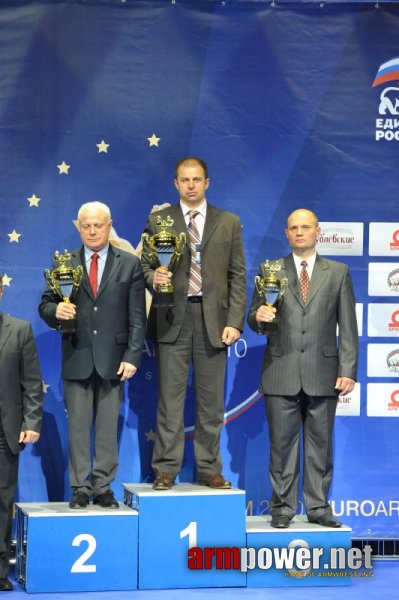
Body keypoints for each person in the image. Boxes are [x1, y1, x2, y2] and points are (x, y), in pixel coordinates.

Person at [248, 209, 358, 528]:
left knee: (320, 445)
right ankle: (282, 507)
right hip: (280, 370)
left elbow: (348, 326)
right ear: (286, 233)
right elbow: (255, 316)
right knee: (281, 446)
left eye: (305, 227)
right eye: (293, 228)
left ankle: (318, 507)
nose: (299, 232)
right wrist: (258, 317)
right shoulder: (270, 269)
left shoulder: (337, 272)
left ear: (317, 231)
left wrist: (348, 368)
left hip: (324, 372)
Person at [141, 157, 246, 490]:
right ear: (175, 183)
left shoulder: (228, 222)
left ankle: (209, 468)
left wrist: (235, 322)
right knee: (169, 400)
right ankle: (166, 469)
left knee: (211, 401)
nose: (190, 185)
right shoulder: (159, 220)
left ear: (207, 183)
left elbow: (238, 276)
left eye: (196, 179)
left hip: (213, 321)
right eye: (184, 180)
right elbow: (143, 267)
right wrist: (152, 277)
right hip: (173, 317)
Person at [39, 201, 146, 509]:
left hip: (115, 359)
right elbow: (45, 305)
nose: (92, 230)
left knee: (107, 427)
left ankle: (102, 486)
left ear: (109, 225)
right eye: (86, 225)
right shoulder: (64, 262)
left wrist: (132, 356)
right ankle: (80, 487)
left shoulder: (128, 263)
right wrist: (56, 311)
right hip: (77, 355)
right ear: (79, 227)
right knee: (78, 427)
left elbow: (137, 316)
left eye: (98, 225)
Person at [0, 275, 42, 591]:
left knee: (2, 502)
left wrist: (31, 423)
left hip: (6, 433)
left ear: (1, 291)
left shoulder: (20, 330)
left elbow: (32, 384)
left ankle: (0, 570)